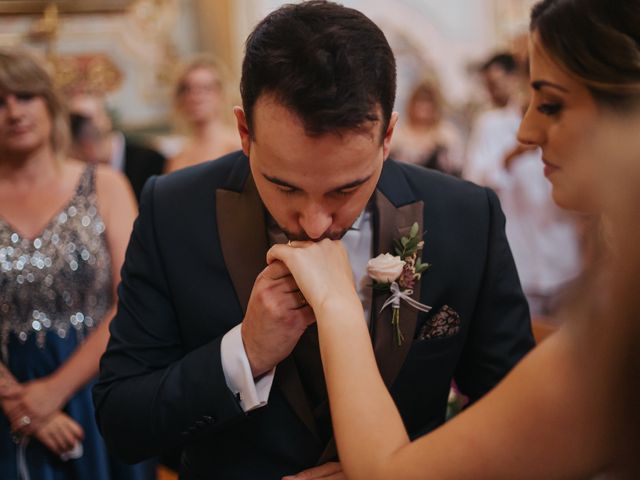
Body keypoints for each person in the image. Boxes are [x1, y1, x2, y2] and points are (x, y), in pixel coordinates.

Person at [93, 2, 534, 478]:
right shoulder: (174, 209)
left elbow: (521, 418)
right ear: (245, 131)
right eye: (284, 186)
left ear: (387, 136)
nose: (316, 223)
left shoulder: (466, 217)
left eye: (346, 188)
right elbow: (122, 419)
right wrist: (245, 352)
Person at [267, 0, 640, 478]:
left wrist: (336, 302)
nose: (525, 131)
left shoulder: (611, 329)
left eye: (550, 103)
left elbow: (389, 473)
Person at [0, 49, 155, 479]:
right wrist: (18, 402)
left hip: (100, 386)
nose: (14, 111)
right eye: (0, 101)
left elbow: (135, 299)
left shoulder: (104, 184)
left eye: (26, 96)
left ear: (50, 104)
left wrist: (54, 392)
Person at [67, 93, 166, 202]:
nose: (85, 127)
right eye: (75, 122)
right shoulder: (73, 170)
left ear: (107, 119)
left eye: (88, 119)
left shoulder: (150, 161)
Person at [164, 55, 239, 173]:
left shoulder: (237, 146)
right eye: (188, 89)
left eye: (205, 88)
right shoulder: (178, 157)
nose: (195, 97)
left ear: (221, 93)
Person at [391, 76, 464, 175]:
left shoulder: (446, 133)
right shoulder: (398, 132)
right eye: (420, 101)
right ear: (412, 104)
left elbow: (456, 166)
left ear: (435, 106)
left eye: (428, 102)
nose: (423, 107)